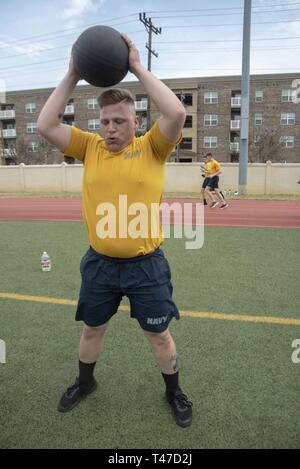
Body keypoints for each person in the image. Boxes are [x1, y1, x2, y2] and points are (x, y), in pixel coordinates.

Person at [37, 34, 192, 428]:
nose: (110, 129)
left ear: (135, 122)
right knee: (93, 328)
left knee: (159, 336)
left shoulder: (152, 147)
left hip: (147, 266)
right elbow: (45, 124)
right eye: (105, 121)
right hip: (100, 265)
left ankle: (173, 391)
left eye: (119, 121)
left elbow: (175, 112)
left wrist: (137, 66)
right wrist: (73, 72)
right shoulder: (89, 147)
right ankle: (85, 383)